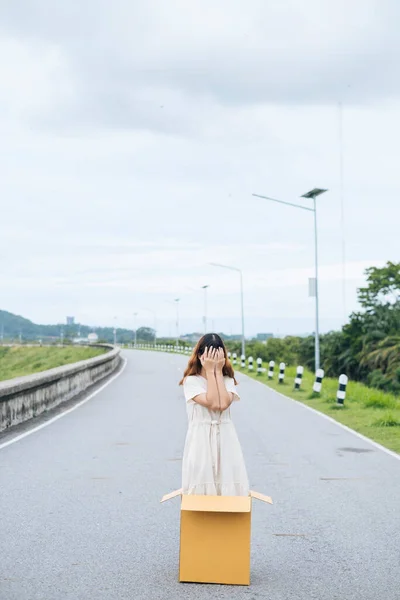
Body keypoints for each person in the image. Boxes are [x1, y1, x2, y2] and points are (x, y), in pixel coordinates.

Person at [179, 333, 249, 496]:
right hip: (201, 439)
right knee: (202, 483)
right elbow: (212, 402)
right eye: (210, 356)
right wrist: (211, 372)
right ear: (200, 356)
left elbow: (222, 404)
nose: (215, 361)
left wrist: (217, 372)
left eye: (218, 357)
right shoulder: (191, 381)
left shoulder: (227, 380)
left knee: (228, 481)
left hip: (226, 438)